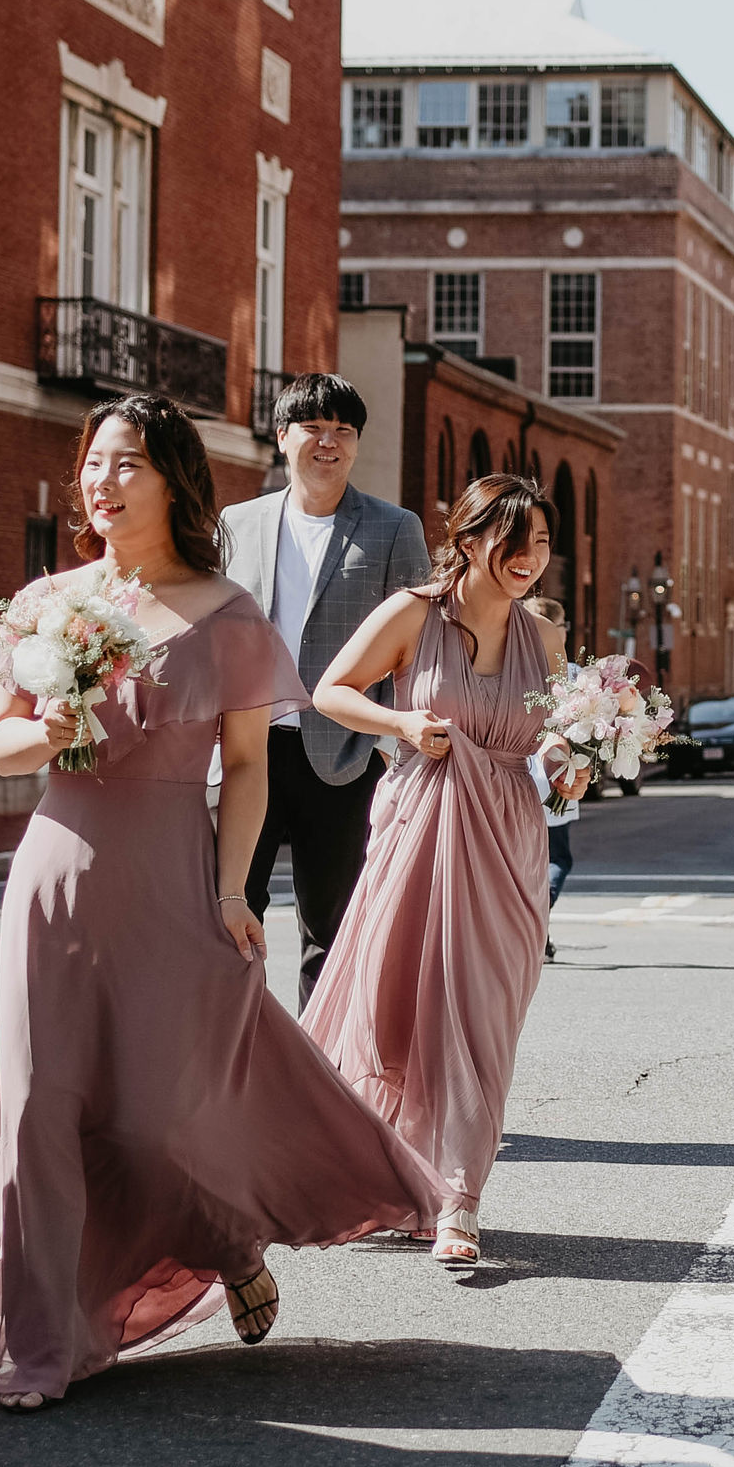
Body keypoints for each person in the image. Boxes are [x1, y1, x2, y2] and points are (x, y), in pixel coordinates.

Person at [0, 397, 436, 1406]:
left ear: (173, 484)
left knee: (156, 1121)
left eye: (126, 466)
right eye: (93, 465)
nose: (102, 483)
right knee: (37, 1112)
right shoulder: (47, 601)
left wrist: (235, 887)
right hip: (56, 871)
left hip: (168, 872)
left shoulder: (225, 613)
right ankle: (41, 1344)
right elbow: (1, 745)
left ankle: (227, 1240)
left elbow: (247, 768)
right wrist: (59, 724)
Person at [305, 476, 576, 1269]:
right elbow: (329, 690)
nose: (530, 559)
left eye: (542, 545)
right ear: (468, 539)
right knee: (398, 1009)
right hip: (419, 826)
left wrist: (571, 762)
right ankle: (395, 1180)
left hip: (508, 843)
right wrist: (399, 721)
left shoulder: (544, 640)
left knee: (482, 1018)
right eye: (514, 543)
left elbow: (551, 744)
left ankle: (460, 1197)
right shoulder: (411, 614)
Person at [223, 374, 434, 1005]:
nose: (329, 442)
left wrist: (393, 743)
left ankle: (322, 1070)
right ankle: (235, 1054)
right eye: (314, 427)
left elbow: (418, 649)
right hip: (248, 747)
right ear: (283, 436)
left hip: (342, 754)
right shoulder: (237, 523)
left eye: (344, 430)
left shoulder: (394, 528)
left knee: (332, 927)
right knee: (231, 909)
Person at [533, 745, 579, 959]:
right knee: (558, 858)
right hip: (555, 778)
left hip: (524, 777)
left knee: (529, 861)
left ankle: (541, 930)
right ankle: (544, 902)